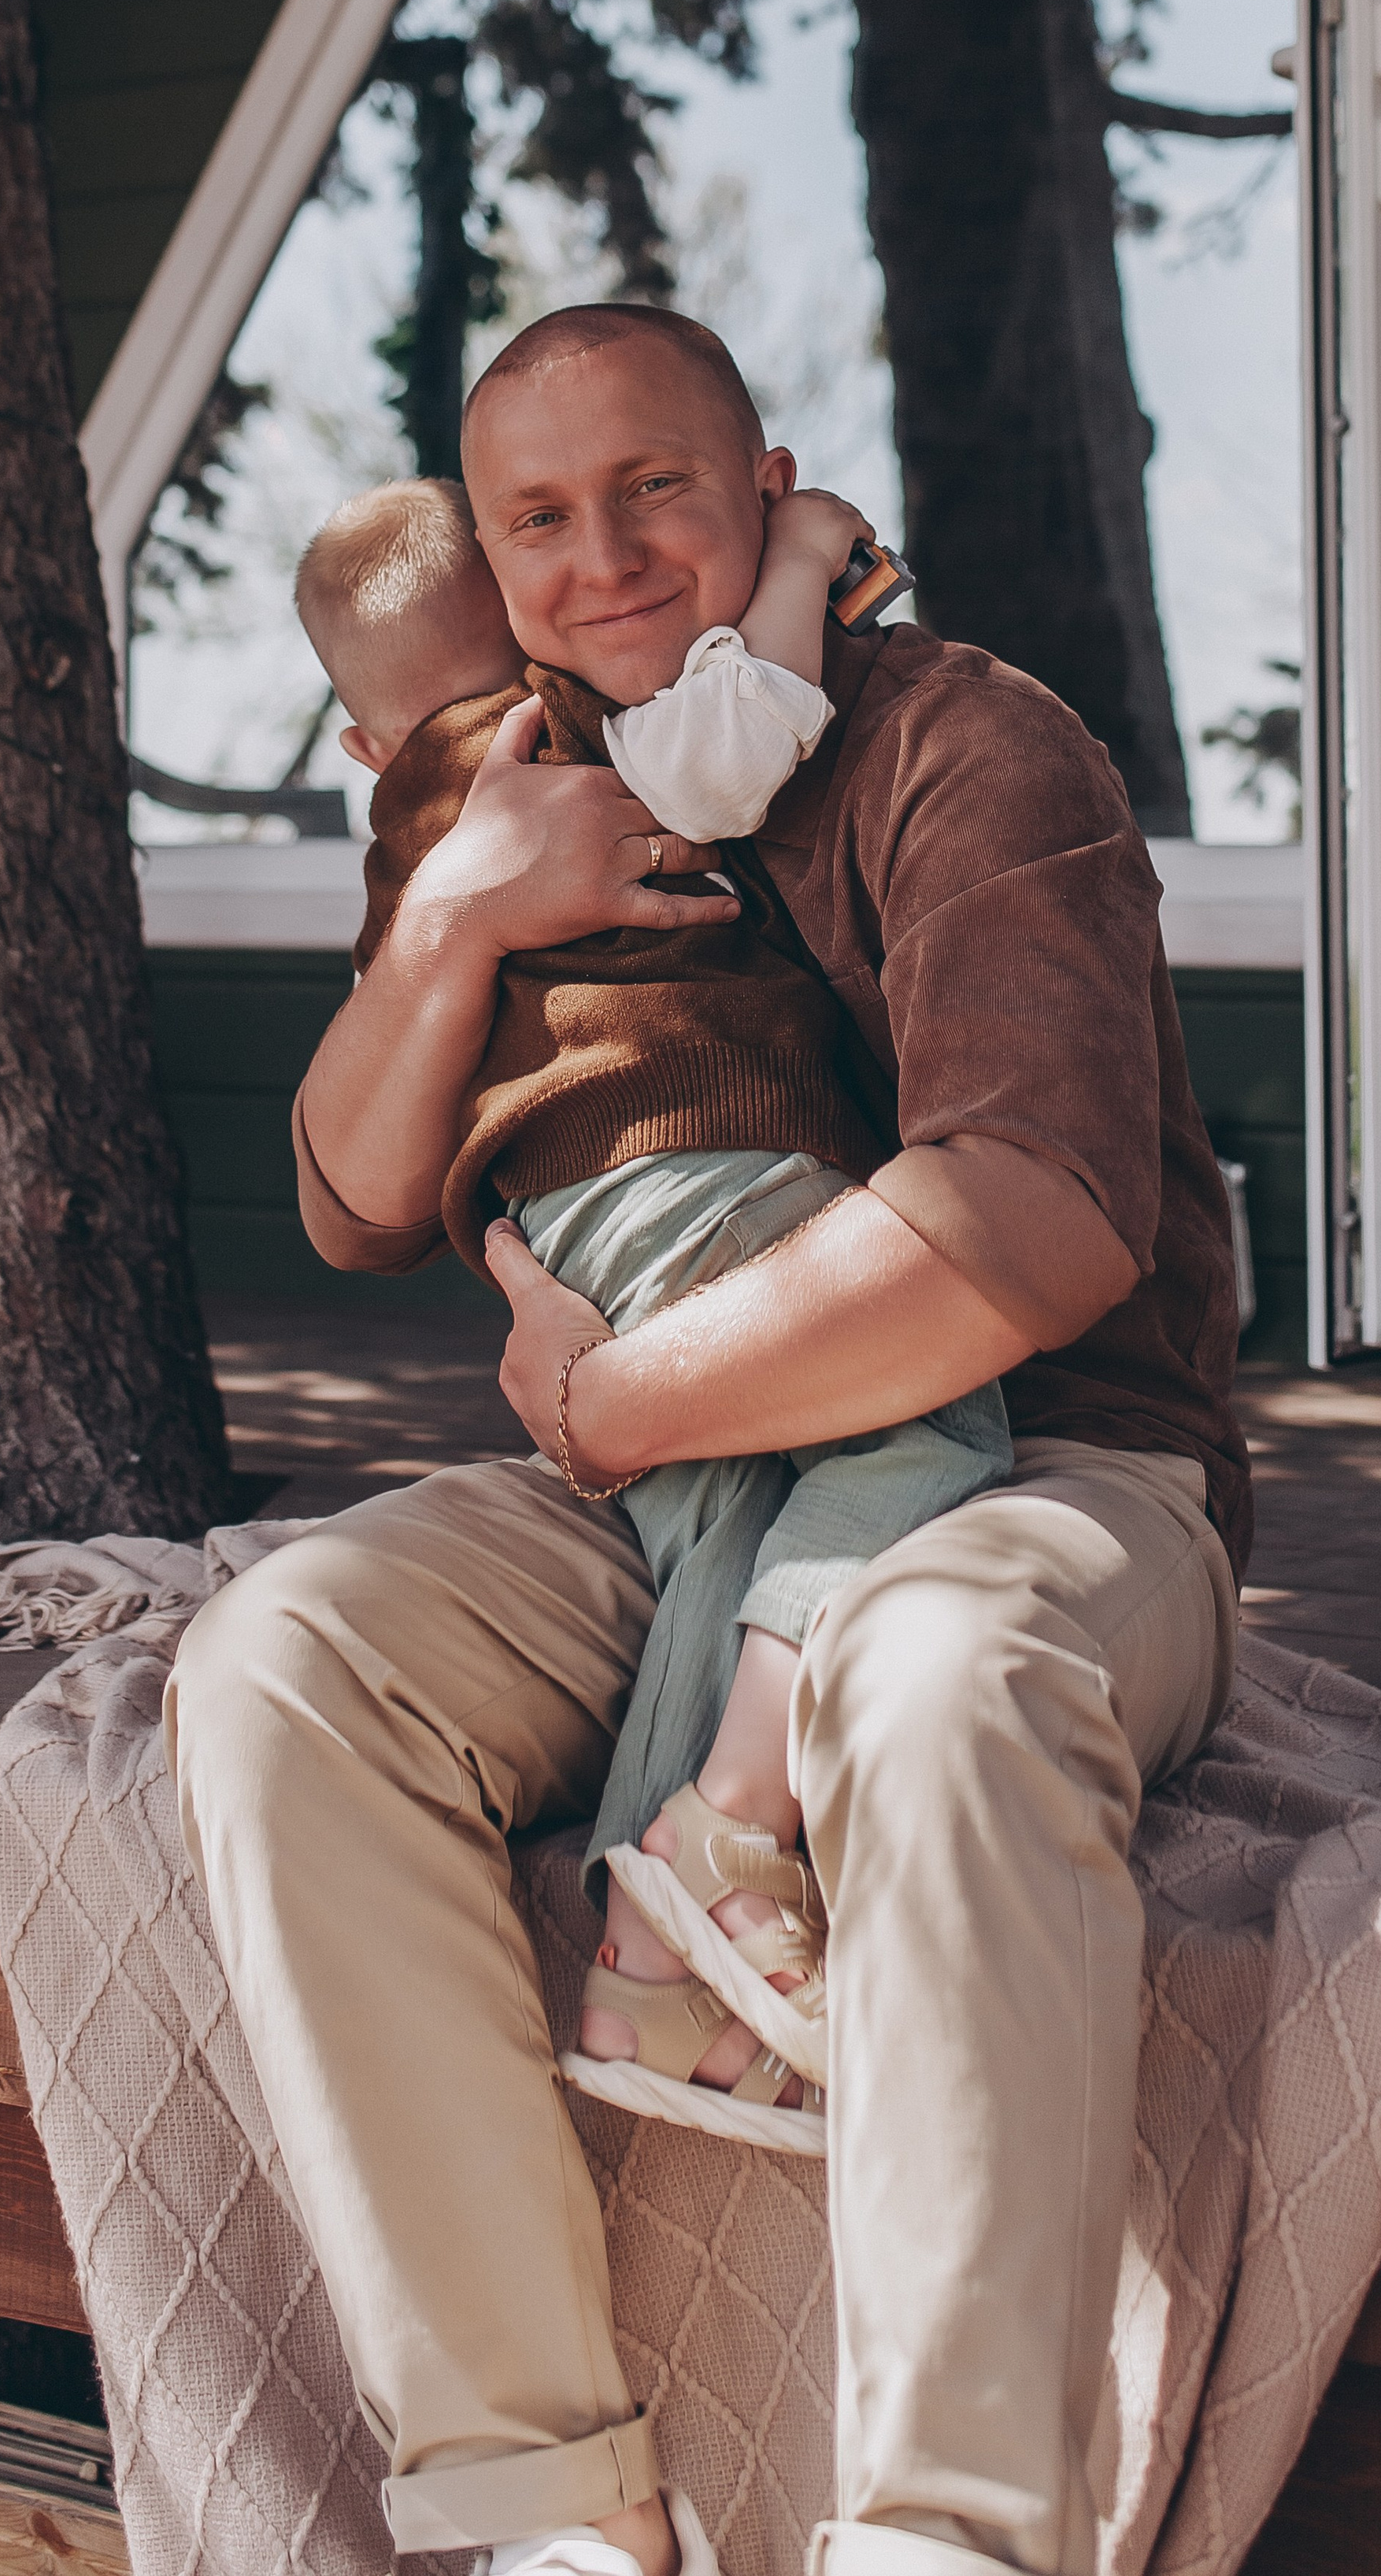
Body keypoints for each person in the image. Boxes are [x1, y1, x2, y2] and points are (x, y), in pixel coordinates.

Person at [165, 303, 1246, 2576]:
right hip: (647, 1495)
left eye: (655, 488)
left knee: (937, 1675)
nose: (605, 555)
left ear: (767, 482)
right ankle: (546, 2502)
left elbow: (1030, 1231)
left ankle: (953, 2535)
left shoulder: (969, 741)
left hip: (1054, 1465)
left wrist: (615, 1387)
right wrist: (457, 912)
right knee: (282, 1654)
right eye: (539, 519)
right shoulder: (524, 774)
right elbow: (352, 1194)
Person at [289, 472, 1013, 2137]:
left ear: (351, 741)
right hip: (696, 1156)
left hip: (574, 1219)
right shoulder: (548, 747)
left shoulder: (405, 834)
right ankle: (733, 1825)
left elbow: (386, 1140)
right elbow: (733, 737)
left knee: (720, 1526)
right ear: (531, 629)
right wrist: (814, 562)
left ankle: (653, 1956)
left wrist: (514, 1269)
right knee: (926, 1415)